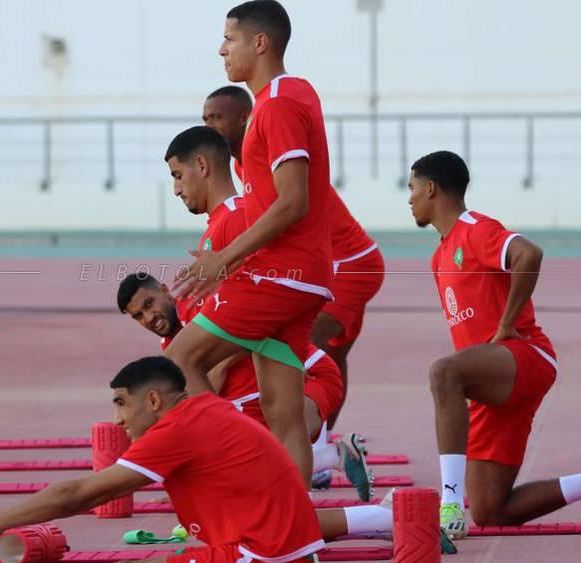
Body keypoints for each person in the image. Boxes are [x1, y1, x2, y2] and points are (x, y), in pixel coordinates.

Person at [0, 357, 418, 562]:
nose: (116, 419)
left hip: (259, 554)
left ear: (154, 401)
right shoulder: (203, 408)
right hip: (273, 544)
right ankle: (384, 515)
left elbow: (79, 494)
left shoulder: (180, 427)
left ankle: (383, 514)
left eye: (121, 403)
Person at [407, 150, 581, 538]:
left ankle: (449, 501)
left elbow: (529, 253)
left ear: (430, 189)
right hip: (489, 382)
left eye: (411, 188)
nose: (408, 198)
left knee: (443, 372)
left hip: (525, 356)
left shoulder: (473, 228)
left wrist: (508, 323)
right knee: (492, 510)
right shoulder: (439, 255)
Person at [117, 126, 372, 498]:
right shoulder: (219, 230)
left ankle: (228, 465)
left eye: (177, 175)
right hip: (280, 348)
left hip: (309, 364)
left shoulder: (236, 219)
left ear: (201, 165)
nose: (175, 189)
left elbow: (249, 313)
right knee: (279, 423)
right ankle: (295, 511)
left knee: (183, 366)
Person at [165, 0, 333, 485]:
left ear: (260, 43)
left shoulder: (278, 104)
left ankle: (225, 476)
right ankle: (294, 532)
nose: (221, 49)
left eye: (229, 39)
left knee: (179, 361)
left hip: (281, 274)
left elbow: (293, 202)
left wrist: (224, 259)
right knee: (283, 413)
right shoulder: (289, 96)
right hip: (305, 278)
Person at [203, 86, 384, 430]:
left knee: (299, 352)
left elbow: (288, 210)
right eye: (205, 119)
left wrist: (229, 258)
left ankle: (312, 447)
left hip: (347, 264)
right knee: (329, 355)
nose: (209, 127)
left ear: (244, 118)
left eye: (216, 118)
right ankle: (327, 445)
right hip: (340, 261)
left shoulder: (270, 150)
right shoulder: (244, 164)